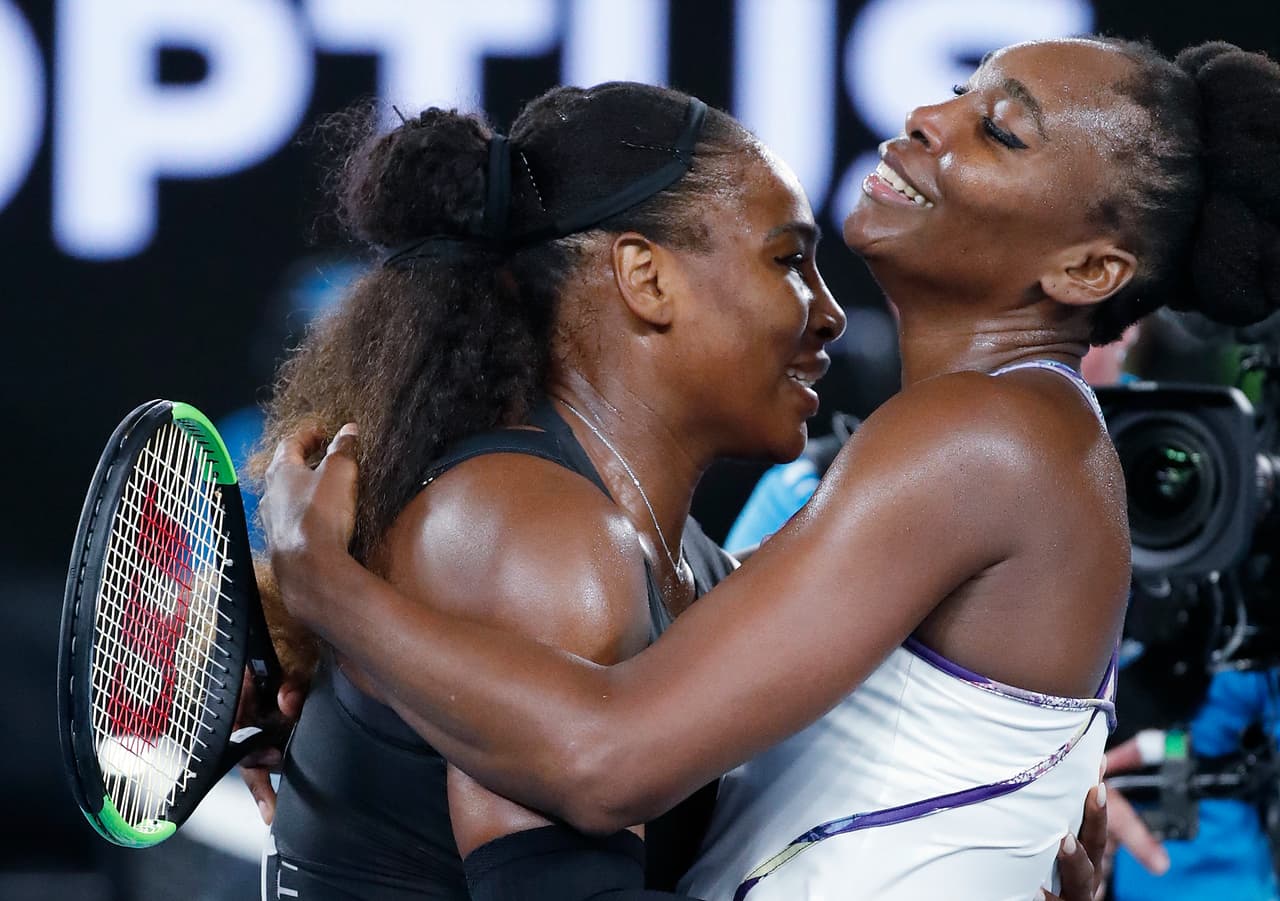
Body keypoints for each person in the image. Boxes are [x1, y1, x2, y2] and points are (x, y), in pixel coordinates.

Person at [266, 33, 1280, 898]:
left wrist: (336, 595)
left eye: (998, 129)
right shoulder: (977, 447)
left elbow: (603, 757)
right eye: (959, 92)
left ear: (1084, 271)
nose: (929, 115)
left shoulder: (992, 434)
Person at [246, 81, 859, 900]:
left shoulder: (681, 562)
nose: (829, 313)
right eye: (788, 259)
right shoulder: (532, 537)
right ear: (645, 276)